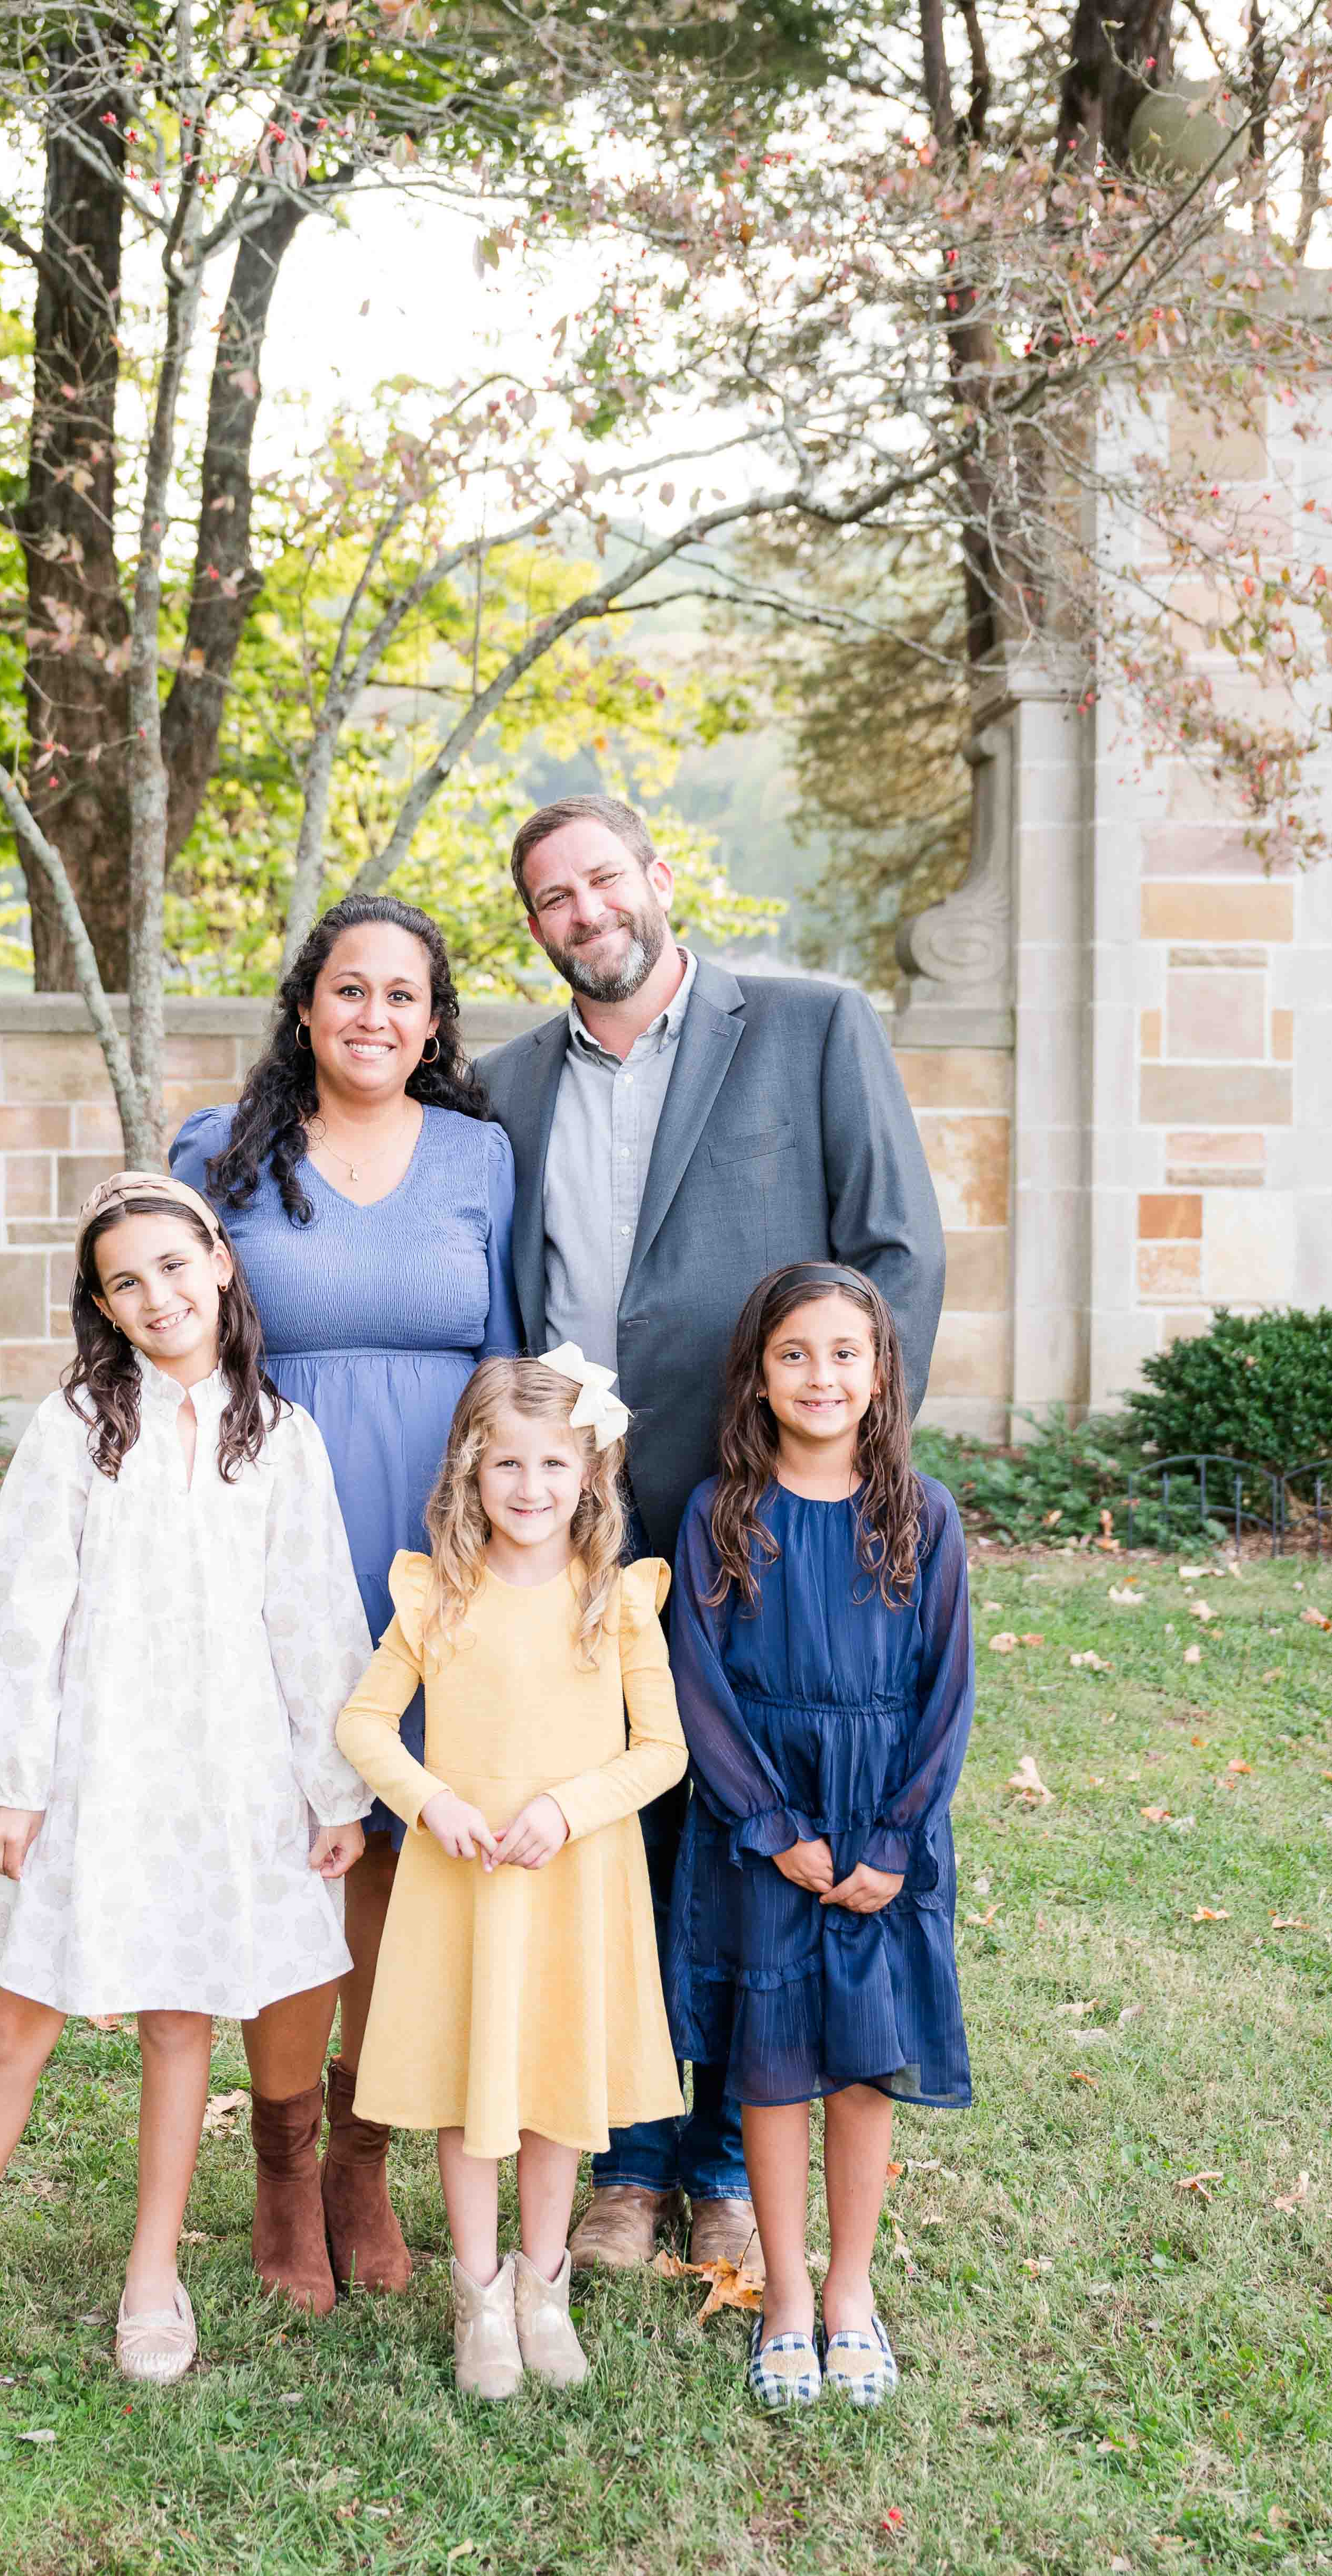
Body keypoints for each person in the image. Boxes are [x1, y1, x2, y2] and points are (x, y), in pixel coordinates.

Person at [0, 1173, 374, 2387]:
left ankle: (151, 2274)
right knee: (18, 2018)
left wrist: (334, 1790)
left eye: (172, 1264)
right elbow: (20, 1605)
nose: (155, 1295)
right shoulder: (77, 1426)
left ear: (218, 1260)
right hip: (95, 1761)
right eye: (124, 1282)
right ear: (102, 1307)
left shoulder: (280, 1434)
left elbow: (314, 1617)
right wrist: (12, 1777)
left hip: (228, 1770)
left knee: (178, 2015)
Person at [479, 793, 946, 2275]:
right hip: (588, 1515)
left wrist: (843, 1468)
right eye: (552, 897)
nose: (584, 911)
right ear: (535, 923)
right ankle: (625, 2154)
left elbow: (896, 1253)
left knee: (762, 1828)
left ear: (659, 877)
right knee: (624, 1823)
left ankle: (730, 2163)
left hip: (770, 1502)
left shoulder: (808, 1026)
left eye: (603, 878)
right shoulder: (503, 1087)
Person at [171, 894, 521, 2309]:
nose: (375, 1015)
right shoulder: (220, 1147)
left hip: (432, 1546)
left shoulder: (484, 1159)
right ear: (306, 1006)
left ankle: (365, 2148)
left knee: (396, 1851)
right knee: (292, 1839)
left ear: (435, 1024)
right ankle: (280, 2152)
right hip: (270, 1538)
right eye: (350, 989)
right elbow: (166, 1348)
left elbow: (507, 1358)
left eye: (404, 996)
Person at [335, 1352, 687, 2399]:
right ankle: (479, 2294)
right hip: (465, 1882)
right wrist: (431, 1800)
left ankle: (544, 2284)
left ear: (591, 1475)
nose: (529, 1488)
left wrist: (564, 1808)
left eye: (552, 1464)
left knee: (550, 2086)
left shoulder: (611, 1600)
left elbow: (660, 1750)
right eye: (505, 1466)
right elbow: (361, 1722)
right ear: (468, 1473)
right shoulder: (437, 1593)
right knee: (470, 2089)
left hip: (573, 1882)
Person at [667, 1263, 973, 2408]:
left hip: (882, 1823)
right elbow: (701, 1687)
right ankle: (784, 2290)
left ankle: (851, 2288)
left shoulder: (921, 1513)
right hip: (767, 1829)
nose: (821, 1375)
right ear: (755, 1373)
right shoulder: (720, 1513)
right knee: (774, 2058)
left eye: (845, 1352)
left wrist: (893, 1839)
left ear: (881, 1371)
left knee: (862, 2062)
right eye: (794, 1352)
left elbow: (947, 1693)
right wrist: (770, 1822)